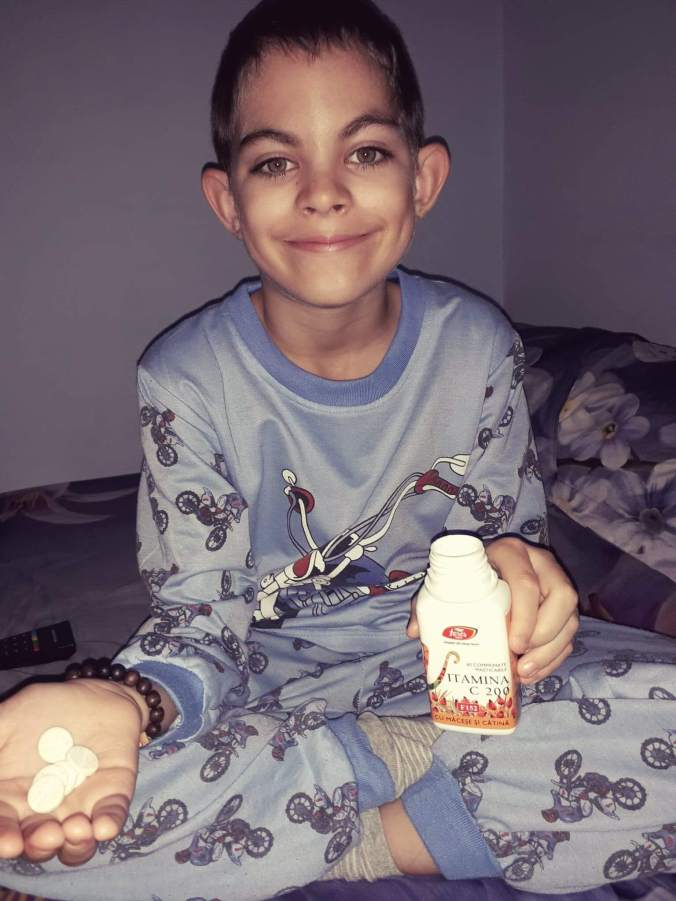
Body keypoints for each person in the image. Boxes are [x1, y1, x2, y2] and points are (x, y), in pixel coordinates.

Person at [0, 2, 673, 899]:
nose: (323, 192)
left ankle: (351, 827)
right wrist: (129, 700)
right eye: (276, 162)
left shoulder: (476, 346)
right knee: (55, 816)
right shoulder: (184, 377)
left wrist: (526, 589)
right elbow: (201, 611)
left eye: (365, 153)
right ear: (228, 201)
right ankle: (403, 789)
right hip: (264, 682)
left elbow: (503, 546)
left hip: (448, 674)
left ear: (423, 180)